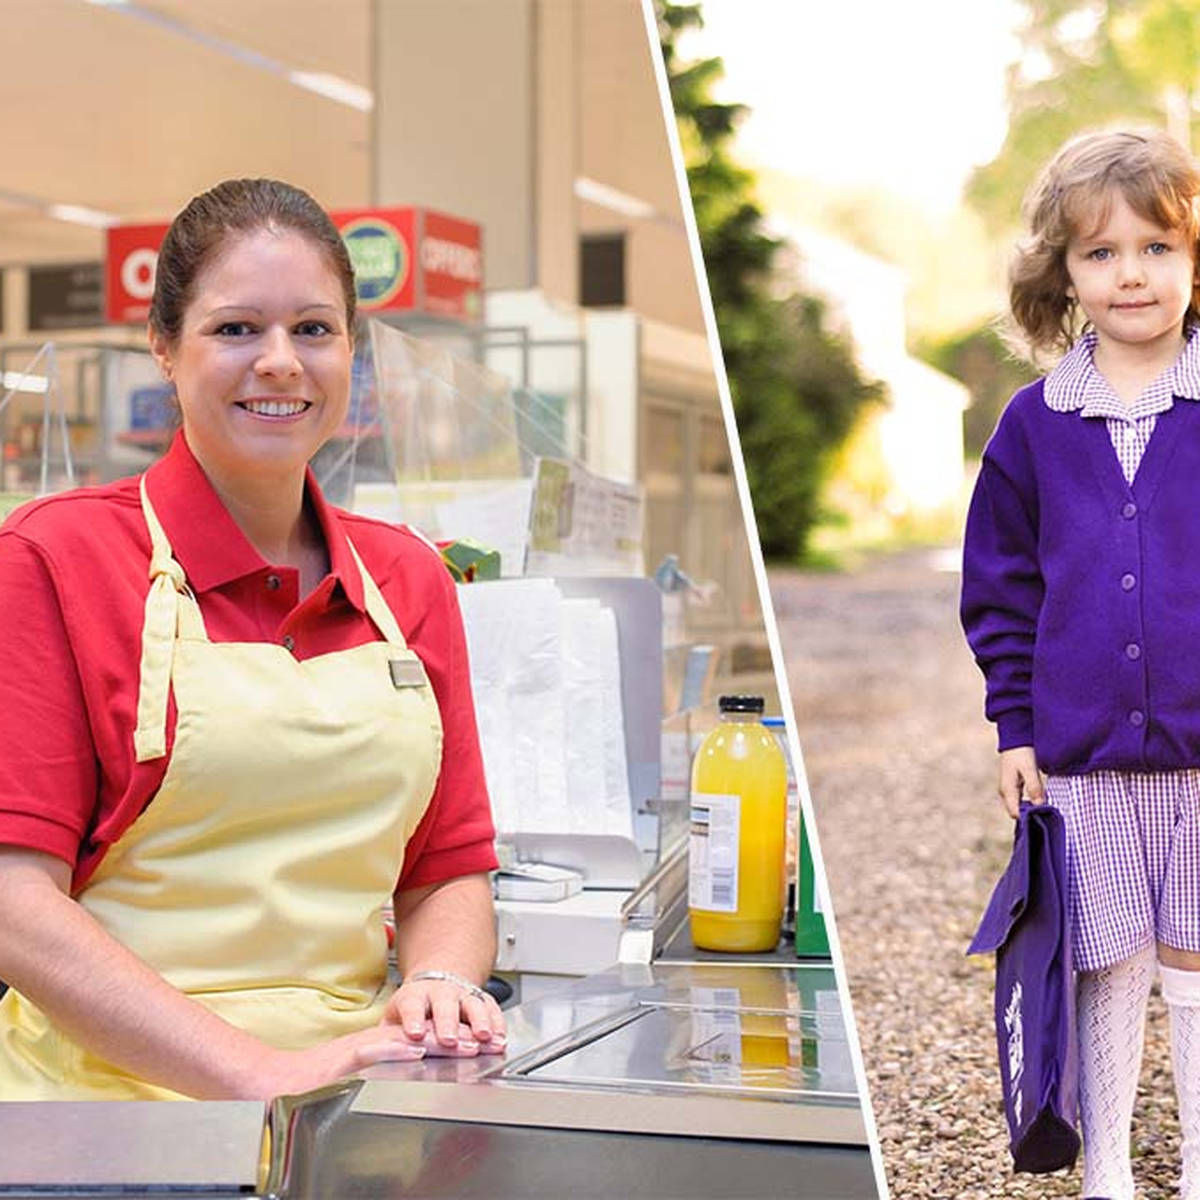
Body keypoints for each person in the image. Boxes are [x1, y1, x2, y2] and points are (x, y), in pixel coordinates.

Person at [0, 178, 506, 1101]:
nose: (280, 362)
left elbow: (448, 867)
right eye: (236, 329)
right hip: (107, 1112)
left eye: (314, 330)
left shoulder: (409, 580)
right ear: (163, 347)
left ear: (351, 350)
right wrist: (262, 1072)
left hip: (349, 1096)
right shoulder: (51, 559)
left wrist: (440, 981)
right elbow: (13, 903)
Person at [961, 127, 1200, 1199]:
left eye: (1157, 245)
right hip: (1085, 756)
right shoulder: (1032, 426)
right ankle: (1109, 1172)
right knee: (1105, 962)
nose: (1132, 273)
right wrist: (1015, 725)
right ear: (1061, 275)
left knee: (1195, 965)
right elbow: (1002, 590)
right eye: (1101, 254)